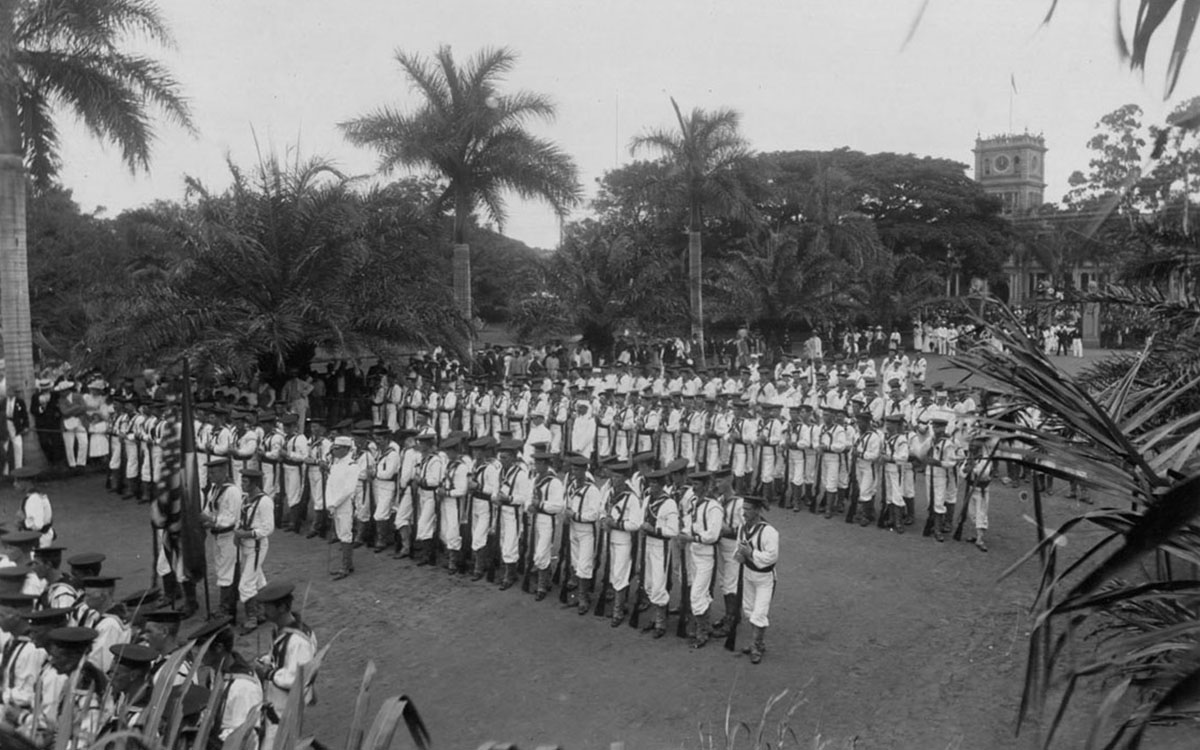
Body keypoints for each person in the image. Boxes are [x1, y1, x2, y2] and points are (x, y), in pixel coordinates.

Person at [253, 582, 316, 750]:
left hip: (285, 710)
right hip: (275, 705)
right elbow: (281, 658)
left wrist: (269, 673)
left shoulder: (299, 640)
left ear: (281, 607)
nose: (262, 611)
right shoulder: (282, 630)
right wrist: (266, 661)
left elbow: (299, 677)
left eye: (266, 607)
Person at [188, 616, 263, 749]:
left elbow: (243, 736)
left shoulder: (243, 687)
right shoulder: (216, 673)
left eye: (201, 647)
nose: (196, 653)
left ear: (219, 648)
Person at [735, 495, 778, 665]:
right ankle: (758, 642)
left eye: (748, 509)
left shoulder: (769, 532)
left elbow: (772, 557)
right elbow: (738, 547)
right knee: (749, 609)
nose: (744, 513)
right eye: (743, 508)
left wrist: (750, 554)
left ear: (757, 511)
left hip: (764, 578)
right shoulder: (742, 528)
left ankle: (755, 646)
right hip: (748, 574)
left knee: (759, 612)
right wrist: (739, 555)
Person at [683, 470, 723, 648]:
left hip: (706, 554)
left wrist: (693, 537)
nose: (694, 487)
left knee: (697, 593)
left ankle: (701, 631)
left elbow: (713, 535)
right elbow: (689, 524)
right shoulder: (693, 502)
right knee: (699, 591)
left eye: (697, 484)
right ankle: (704, 626)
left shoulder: (713, 507)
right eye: (693, 483)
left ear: (706, 486)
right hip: (693, 552)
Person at [200, 458, 243, 618]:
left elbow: (231, 518)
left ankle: (226, 609)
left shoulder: (232, 491)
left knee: (227, 571)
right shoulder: (214, 489)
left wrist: (211, 521)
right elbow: (209, 509)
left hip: (229, 535)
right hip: (217, 535)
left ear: (224, 472)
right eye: (210, 472)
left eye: (214, 472)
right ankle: (230, 604)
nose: (211, 475)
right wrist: (205, 518)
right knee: (221, 568)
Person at [639, 468, 679, 638]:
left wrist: (654, 529)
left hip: (661, 546)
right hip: (647, 543)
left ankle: (661, 622)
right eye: (651, 482)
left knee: (658, 583)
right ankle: (655, 617)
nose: (652, 486)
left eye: (656, 483)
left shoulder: (669, 503)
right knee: (648, 582)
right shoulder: (647, 499)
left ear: (662, 485)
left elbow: (673, 530)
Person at [235, 468, 274, 633]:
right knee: (257, 579)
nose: (242, 484)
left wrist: (248, 533)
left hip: (257, 545)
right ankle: (264, 610)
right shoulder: (245, 499)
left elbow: (268, 528)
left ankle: (252, 618)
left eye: (245, 481)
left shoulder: (264, 501)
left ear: (254, 483)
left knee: (246, 583)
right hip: (245, 544)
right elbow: (240, 519)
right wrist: (238, 533)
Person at [563, 455, 601, 611]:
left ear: (585, 470)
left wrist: (575, 515)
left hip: (586, 530)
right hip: (573, 528)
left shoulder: (592, 490)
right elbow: (568, 503)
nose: (574, 472)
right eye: (573, 469)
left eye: (578, 469)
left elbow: (594, 514)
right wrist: (567, 514)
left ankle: (584, 598)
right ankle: (578, 595)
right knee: (576, 562)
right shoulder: (572, 485)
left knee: (585, 564)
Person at [493, 439, 531, 590]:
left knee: (510, 542)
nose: (502, 460)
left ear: (514, 458)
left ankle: (510, 574)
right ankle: (509, 570)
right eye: (501, 457)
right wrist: (495, 498)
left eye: (506, 457)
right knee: (502, 540)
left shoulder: (521, 475)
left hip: (513, 512)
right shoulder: (499, 472)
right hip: (501, 510)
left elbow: (524, 497)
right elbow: (495, 491)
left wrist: (509, 498)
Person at [528, 450, 565, 599]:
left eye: (537, 463)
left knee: (541, 552)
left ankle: (542, 586)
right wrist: (529, 506)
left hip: (547, 519)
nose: (535, 466)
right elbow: (528, 496)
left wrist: (541, 505)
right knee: (538, 549)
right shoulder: (535, 479)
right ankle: (545, 579)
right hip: (535, 519)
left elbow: (558, 506)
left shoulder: (554, 482)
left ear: (544, 464)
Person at [324, 435, 359, 580]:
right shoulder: (336, 464)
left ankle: (345, 566)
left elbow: (348, 489)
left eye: (337, 449)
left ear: (345, 449)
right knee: (339, 533)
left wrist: (335, 503)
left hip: (344, 504)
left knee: (345, 533)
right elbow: (329, 485)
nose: (334, 451)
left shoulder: (352, 466)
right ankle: (348, 564)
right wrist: (329, 504)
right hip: (334, 504)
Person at [12, 468, 54, 547]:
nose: (14, 484)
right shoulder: (36, 496)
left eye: (18, 481)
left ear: (27, 482)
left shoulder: (34, 499)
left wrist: (22, 522)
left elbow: (37, 525)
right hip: (40, 538)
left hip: (38, 541)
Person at [4, 387, 30, 475]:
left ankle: (18, 470)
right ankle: (5, 471)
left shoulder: (20, 402)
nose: (10, 393)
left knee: (18, 447)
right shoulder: (3, 402)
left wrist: (26, 426)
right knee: (4, 448)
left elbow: (24, 414)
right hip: (5, 425)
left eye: (12, 391)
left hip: (16, 426)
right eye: (8, 391)